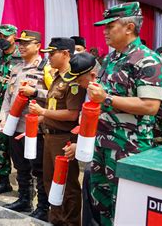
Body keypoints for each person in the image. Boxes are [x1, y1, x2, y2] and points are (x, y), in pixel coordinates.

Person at [88, 2, 162, 225]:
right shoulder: (112, 58)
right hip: (102, 142)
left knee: (124, 204)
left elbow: (150, 106)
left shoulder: (148, 59)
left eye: (110, 26)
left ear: (129, 27)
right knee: (101, 201)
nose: (104, 32)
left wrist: (107, 99)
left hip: (128, 146)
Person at [29, 37, 86, 226]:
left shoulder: (74, 80)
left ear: (66, 54)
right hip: (50, 136)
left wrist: (43, 112)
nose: (49, 57)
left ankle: (69, 222)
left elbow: (72, 114)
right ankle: (57, 220)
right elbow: (56, 107)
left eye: (52, 54)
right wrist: (43, 118)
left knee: (67, 186)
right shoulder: (58, 77)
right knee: (51, 182)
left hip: (64, 139)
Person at [0, 30, 49, 221]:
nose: (21, 46)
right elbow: (8, 96)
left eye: (26, 43)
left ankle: (43, 207)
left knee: (38, 168)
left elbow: (55, 96)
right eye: (19, 42)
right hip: (15, 125)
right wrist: (3, 116)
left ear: (37, 46)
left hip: (35, 127)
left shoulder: (47, 68)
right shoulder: (16, 68)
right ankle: (24, 199)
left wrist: (35, 92)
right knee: (20, 166)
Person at [63, 52, 101, 226]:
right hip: (92, 156)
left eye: (79, 79)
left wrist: (80, 147)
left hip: (102, 157)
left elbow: (103, 130)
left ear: (92, 75)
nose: (77, 83)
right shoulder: (89, 90)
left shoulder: (102, 94)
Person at [0, 24, 22, 195]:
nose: (2, 40)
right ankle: (3, 182)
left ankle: (26, 187)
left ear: (14, 36)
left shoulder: (22, 57)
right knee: (2, 146)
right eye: (0, 36)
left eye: (6, 36)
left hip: (19, 112)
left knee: (20, 148)